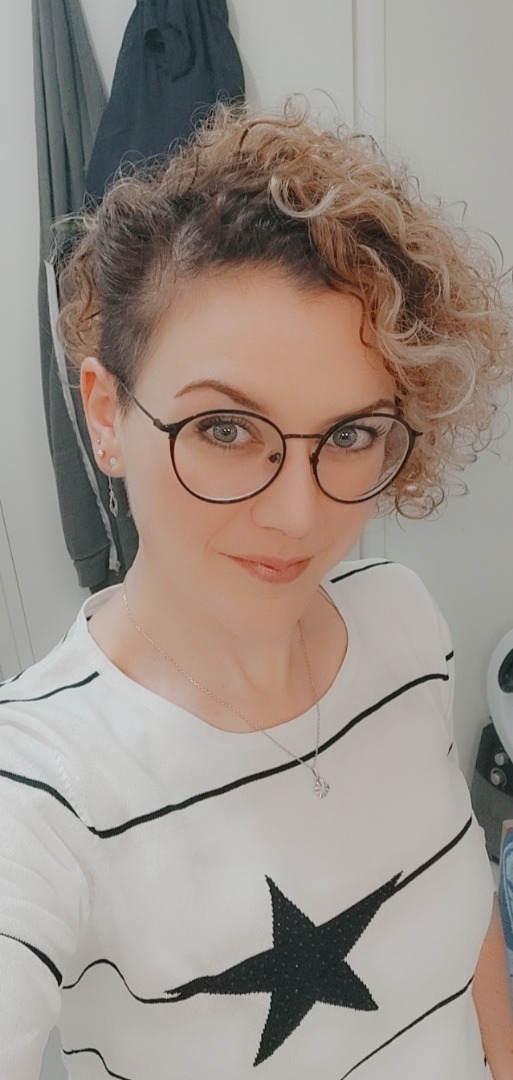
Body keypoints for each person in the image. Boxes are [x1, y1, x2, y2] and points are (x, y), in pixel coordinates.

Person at [1, 104, 513, 1080]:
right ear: (106, 415)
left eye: (351, 435)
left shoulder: (402, 618)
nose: (297, 515)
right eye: (225, 430)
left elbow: (458, 898)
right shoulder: (40, 793)